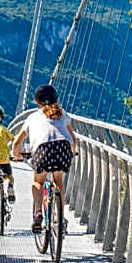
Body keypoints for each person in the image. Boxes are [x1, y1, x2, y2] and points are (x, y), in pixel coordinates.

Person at [12, 84, 78, 232]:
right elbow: (73, 139)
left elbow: (17, 142)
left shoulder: (32, 117)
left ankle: (38, 213)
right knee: (58, 179)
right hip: (63, 148)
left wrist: (16, 154)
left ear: (37, 102)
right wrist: (72, 152)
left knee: (38, 181)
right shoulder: (62, 114)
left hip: (42, 150)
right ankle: (60, 217)